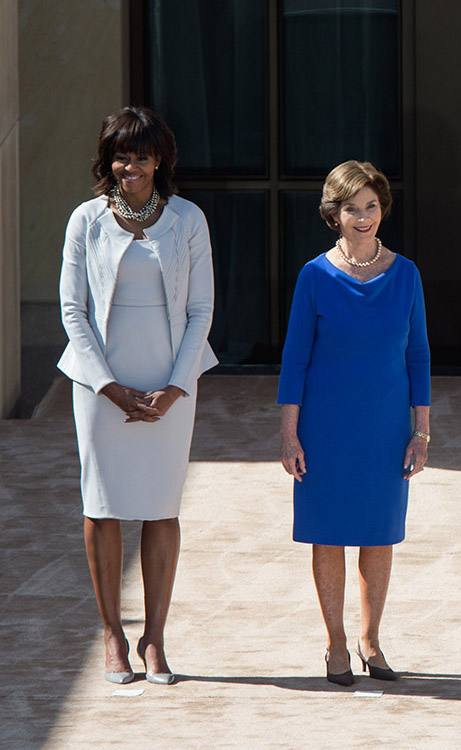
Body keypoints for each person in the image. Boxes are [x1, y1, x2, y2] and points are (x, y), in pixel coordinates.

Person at [59, 106, 218, 685]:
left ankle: (154, 639)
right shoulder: (85, 220)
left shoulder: (188, 219)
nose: (132, 166)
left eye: (142, 155)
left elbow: (201, 309)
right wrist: (108, 387)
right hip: (101, 386)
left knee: (161, 505)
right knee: (102, 504)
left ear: (160, 161)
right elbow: (72, 309)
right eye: (122, 155)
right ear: (108, 160)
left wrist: (177, 386)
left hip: (171, 384)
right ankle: (112, 636)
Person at [278, 160, 431, 687]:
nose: (362, 217)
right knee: (328, 534)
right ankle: (335, 644)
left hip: (385, 427)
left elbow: (419, 357)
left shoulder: (406, 273)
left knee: (379, 534)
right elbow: (295, 358)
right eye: (351, 208)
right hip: (325, 427)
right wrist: (289, 431)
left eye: (371, 206)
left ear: (382, 209)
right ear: (334, 214)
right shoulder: (314, 275)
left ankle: (371, 639)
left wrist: (422, 430)